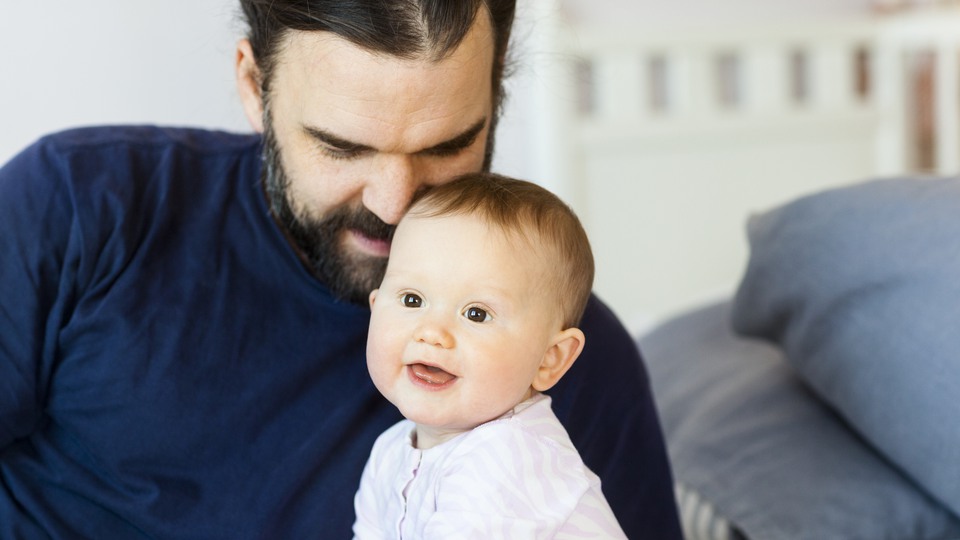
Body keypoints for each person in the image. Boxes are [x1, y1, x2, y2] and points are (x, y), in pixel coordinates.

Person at [0, 1, 682, 538]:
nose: (392, 202)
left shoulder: (556, 365)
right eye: (341, 147)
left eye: (447, 145)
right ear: (252, 83)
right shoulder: (81, 205)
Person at [354, 173, 626, 539]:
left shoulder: (508, 458)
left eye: (476, 314)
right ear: (375, 308)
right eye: (412, 300)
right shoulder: (390, 452)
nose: (432, 332)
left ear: (550, 358)